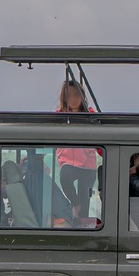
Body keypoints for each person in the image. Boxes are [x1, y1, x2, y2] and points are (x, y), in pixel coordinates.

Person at [54, 81, 99, 225]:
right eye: (69, 96)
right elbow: (49, 136)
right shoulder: (59, 117)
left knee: (85, 201)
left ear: (82, 96)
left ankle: (81, 226)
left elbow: (100, 136)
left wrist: (106, 154)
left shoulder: (90, 115)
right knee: (65, 177)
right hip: (68, 162)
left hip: (88, 165)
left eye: (76, 95)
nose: (73, 99)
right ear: (64, 98)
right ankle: (75, 204)